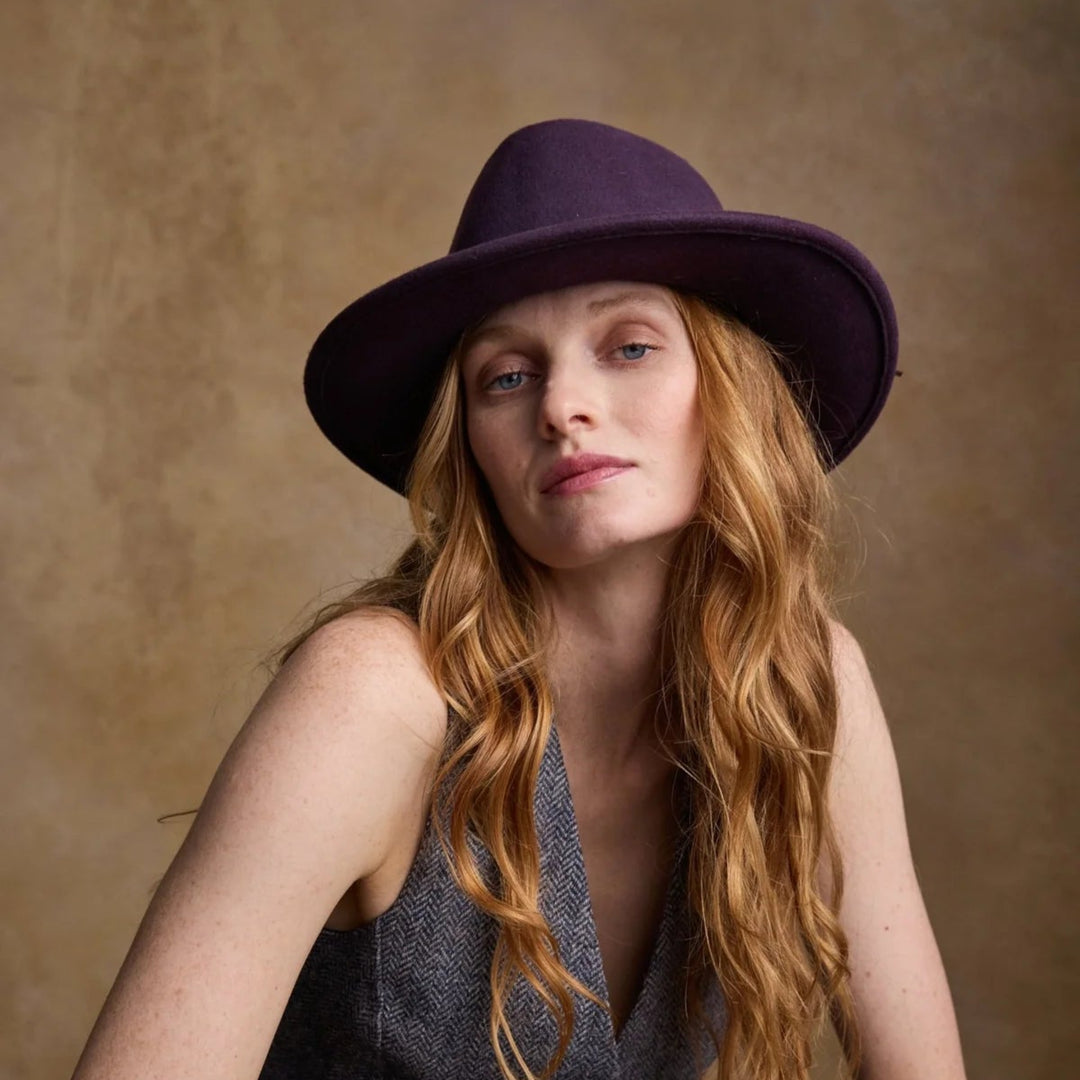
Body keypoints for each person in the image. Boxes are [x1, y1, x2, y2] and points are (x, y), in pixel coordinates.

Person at [71, 120, 967, 1080]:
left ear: (735, 391)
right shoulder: (374, 696)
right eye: (507, 375)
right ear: (472, 449)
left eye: (627, 347)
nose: (560, 405)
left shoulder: (805, 684)